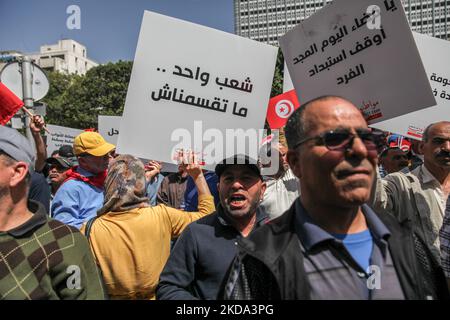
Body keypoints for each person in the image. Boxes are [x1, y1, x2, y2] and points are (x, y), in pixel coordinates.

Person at [221, 96, 448, 300]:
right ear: (296, 162)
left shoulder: (409, 245)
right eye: (336, 139)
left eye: (368, 139)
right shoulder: (259, 259)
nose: (359, 150)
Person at [80, 154, 214, 300]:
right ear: (141, 184)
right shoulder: (162, 216)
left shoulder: (90, 229)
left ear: (108, 183)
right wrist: (198, 176)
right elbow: (207, 217)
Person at [0, 126, 105, 300]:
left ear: (17, 172)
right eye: (101, 155)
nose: (106, 160)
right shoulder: (71, 188)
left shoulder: (65, 242)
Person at [157, 154, 268, 300]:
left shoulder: (281, 235)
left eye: (246, 178)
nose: (236, 185)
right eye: (228, 179)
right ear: (218, 187)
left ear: (262, 189)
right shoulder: (196, 233)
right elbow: (168, 288)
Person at [372, 121, 450, 265]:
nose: (447, 148)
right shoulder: (401, 183)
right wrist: (369, 150)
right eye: (438, 141)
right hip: (423, 282)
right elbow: (376, 203)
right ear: (421, 147)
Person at [51, 132, 115, 229]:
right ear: (83, 161)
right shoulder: (70, 189)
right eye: (101, 155)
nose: (107, 157)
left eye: (107, 153)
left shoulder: (109, 180)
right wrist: (103, 227)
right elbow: (64, 229)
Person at [259, 136, 299, 220]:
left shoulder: (297, 173)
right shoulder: (257, 185)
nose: (286, 159)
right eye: (280, 155)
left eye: (284, 154)